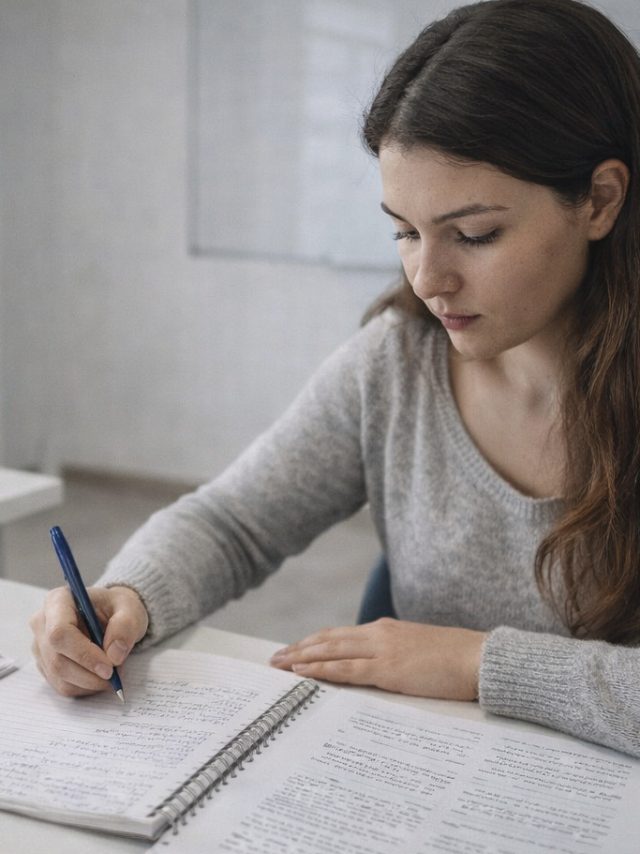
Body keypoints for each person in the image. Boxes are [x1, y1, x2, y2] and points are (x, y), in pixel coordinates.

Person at [30, 0, 640, 758]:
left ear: (600, 200)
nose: (427, 278)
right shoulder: (396, 363)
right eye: (405, 231)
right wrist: (127, 599)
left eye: (475, 235)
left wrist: (474, 661)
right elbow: (234, 523)